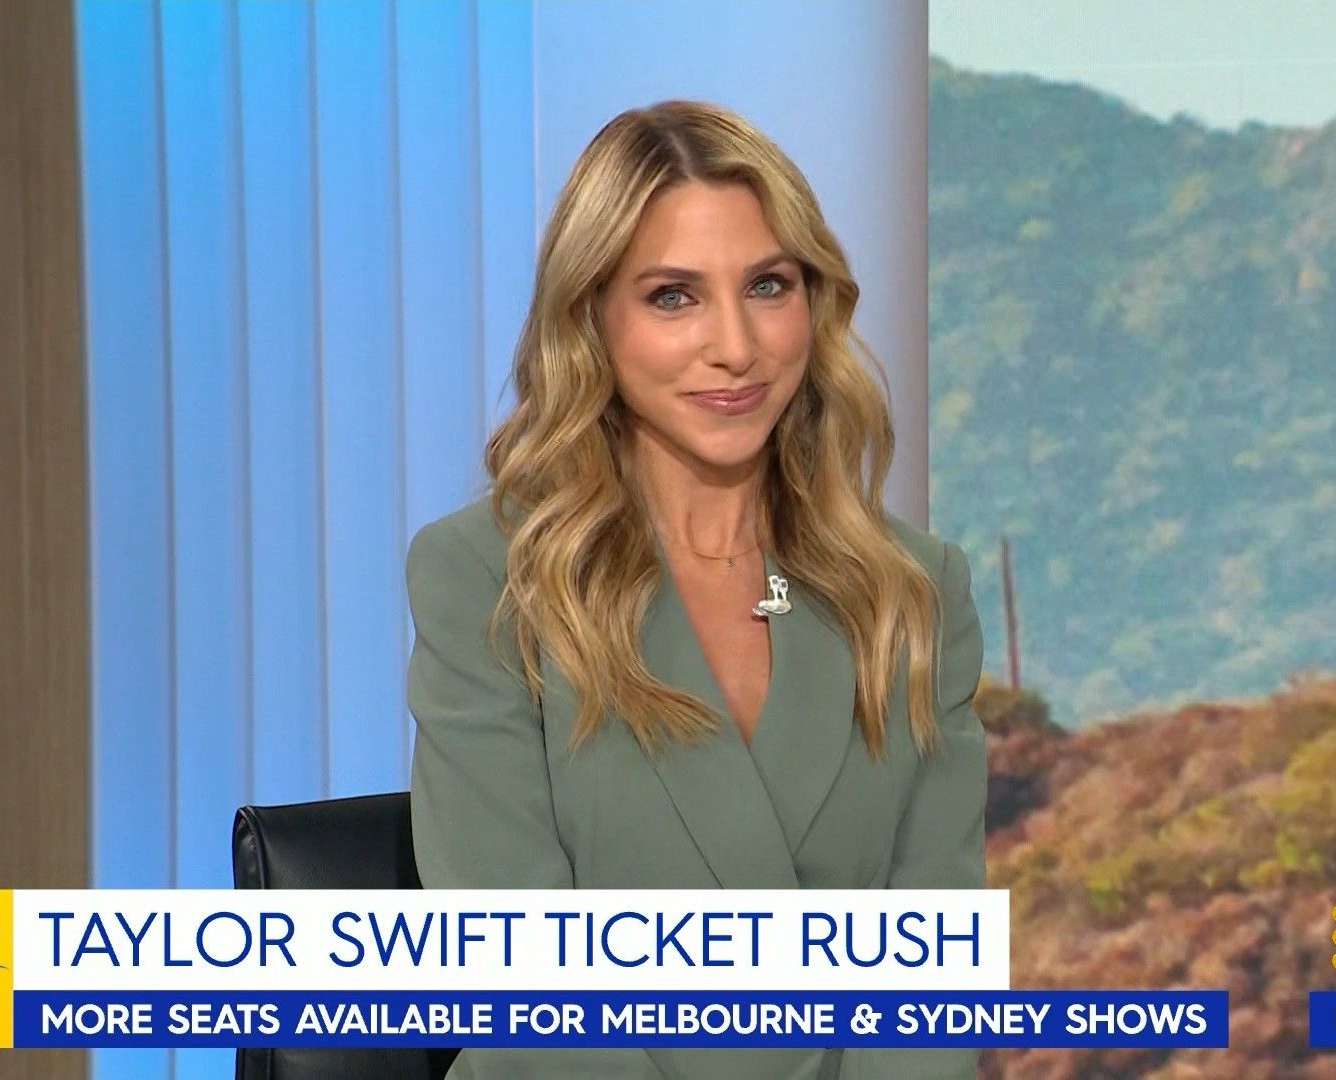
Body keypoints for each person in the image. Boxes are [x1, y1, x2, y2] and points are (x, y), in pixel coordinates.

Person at [405, 99, 987, 1080]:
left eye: (768, 285)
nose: (737, 346)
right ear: (592, 317)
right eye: (674, 296)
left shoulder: (913, 593)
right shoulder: (488, 582)